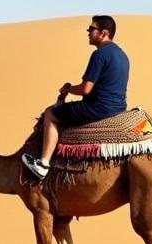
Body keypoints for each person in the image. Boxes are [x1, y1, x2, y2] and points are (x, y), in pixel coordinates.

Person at [21, 15, 130, 180]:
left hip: (98, 108)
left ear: (103, 33)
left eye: (91, 29)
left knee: (51, 113)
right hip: (118, 107)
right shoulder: (122, 55)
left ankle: (43, 164)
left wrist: (68, 89)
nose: (88, 32)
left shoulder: (100, 55)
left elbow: (86, 89)